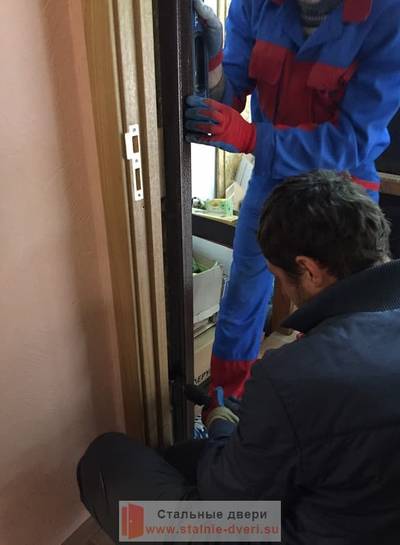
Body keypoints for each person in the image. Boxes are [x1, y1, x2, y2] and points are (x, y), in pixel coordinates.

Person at [78, 171, 400, 544]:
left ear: (310, 270)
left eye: (279, 277)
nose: (283, 290)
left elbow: (224, 498)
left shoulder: (293, 375)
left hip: (293, 529)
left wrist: (220, 423)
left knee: (106, 458)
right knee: (179, 458)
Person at [185, 0, 400, 403]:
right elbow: (229, 93)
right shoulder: (254, 5)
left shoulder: (389, 15)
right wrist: (210, 65)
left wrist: (251, 138)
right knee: (242, 301)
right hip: (272, 179)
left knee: (338, 315)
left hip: (344, 186)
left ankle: (317, 415)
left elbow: (353, 140)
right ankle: (225, 406)